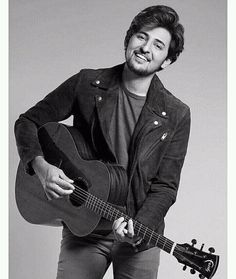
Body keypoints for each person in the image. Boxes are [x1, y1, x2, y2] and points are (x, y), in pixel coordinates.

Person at [14, 5, 190, 279]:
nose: (145, 48)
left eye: (158, 45)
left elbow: (166, 186)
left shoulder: (177, 114)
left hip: (139, 239)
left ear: (166, 60)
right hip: (84, 227)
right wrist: (39, 166)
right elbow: (27, 122)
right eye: (141, 37)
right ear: (128, 40)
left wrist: (138, 228)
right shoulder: (87, 83)